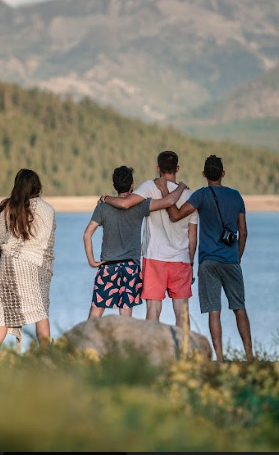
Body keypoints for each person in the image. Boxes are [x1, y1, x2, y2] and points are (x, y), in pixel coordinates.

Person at [156, 154, 252, 361]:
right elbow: (243, 232)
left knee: (214, 311)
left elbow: (176, 215)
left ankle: (219, 357)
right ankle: (250, 355)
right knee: (239, 307)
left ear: (203, 174)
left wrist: (164, 192)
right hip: (231, 260)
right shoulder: (236, 196)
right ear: (223, 174)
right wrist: (238, 256)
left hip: (208, 261)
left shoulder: (200, 196)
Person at [101, 151, 198, 330]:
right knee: (182, 312)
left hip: (155, 258)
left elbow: (125, 203)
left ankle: (152, 354)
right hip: (181, 260)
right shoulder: (190, 194)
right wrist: (191, 263)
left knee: (153, 310)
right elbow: (193, 236)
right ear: (177, 168)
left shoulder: (149, 187)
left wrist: (106, 199)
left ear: (158, 168)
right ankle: (185, 353)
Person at [83, 165, 189, 320]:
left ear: (114, 186)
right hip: (131, 267)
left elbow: (87, 234)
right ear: (132, 185)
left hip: (108, 266)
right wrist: (181, 187)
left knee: (96, 311)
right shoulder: (141, 205)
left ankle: (85, 342)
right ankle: (126, 344)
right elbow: (169, 201)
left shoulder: (103, 207)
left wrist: (92, 261)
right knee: (126, 314)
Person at [0, 169, 56, 362]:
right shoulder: (47, 209)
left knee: (2, 315)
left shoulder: (8, 208)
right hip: (37, 267)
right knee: (41, 312)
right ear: (38, 186)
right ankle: (45, 356)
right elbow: (49, 241)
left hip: (9, 266)